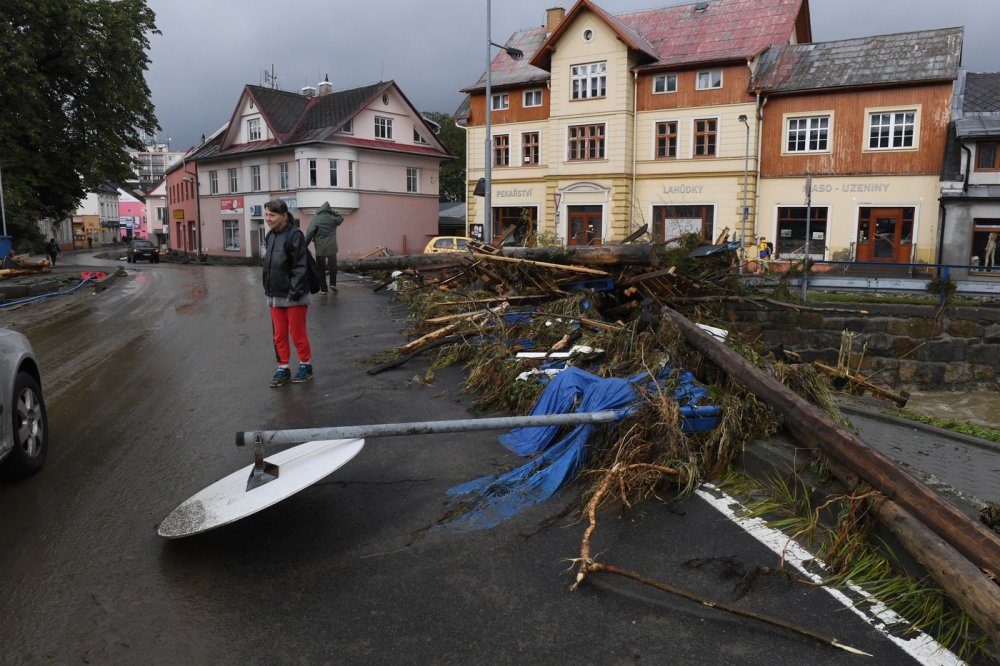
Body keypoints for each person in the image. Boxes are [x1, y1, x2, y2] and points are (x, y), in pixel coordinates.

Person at [262, 199, 313, 387]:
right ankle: (282, 368)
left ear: (284, 215)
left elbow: (301, 266)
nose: (268, 219)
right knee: (279, 335)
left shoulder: (295, 235)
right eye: (266, 214)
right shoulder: (270, 236)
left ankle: (305, 365)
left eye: (272, 215)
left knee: (297, 333)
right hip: (274, 293)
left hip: (294, 295)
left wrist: (295, 292)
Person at [304, 201, 343, 293]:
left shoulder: (316, 219)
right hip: (332, 248)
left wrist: (304, 245)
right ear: (328, 210)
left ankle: (323, 289)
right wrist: (333, 212)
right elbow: (341, 218)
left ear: (320, 210)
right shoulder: (333, 219)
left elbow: (310, 233)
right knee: (333, 266)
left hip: (320, 249)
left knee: (320, 269)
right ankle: (333, 284)